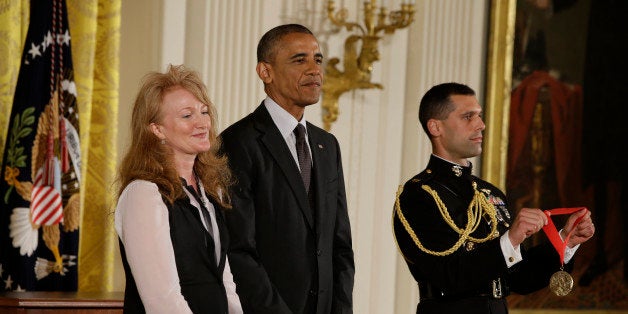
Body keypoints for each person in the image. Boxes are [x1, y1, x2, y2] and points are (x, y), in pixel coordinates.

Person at [392, 82, 595, 314]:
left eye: (479, 116)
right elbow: (448, 276)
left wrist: (565, 241)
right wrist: (511, 239)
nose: (481, 125)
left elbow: (519, 280)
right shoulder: (419, 195)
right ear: (436, 127)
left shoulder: (490, 194)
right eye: (468, 117)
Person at [219, 24, 355, 314]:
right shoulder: (237, 142)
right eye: (299, 60)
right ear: (265, 72)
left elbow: (339, 245)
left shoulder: (326, 145)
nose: (315, 70)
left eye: (317, 59)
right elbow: (238, 248)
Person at [114, 64, 242, 314]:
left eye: (204, 112)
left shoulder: (211, 191)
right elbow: (162, 300)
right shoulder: (144, 194)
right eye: (187, 115)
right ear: (157, 129)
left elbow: (225, 283)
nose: (202, 123)